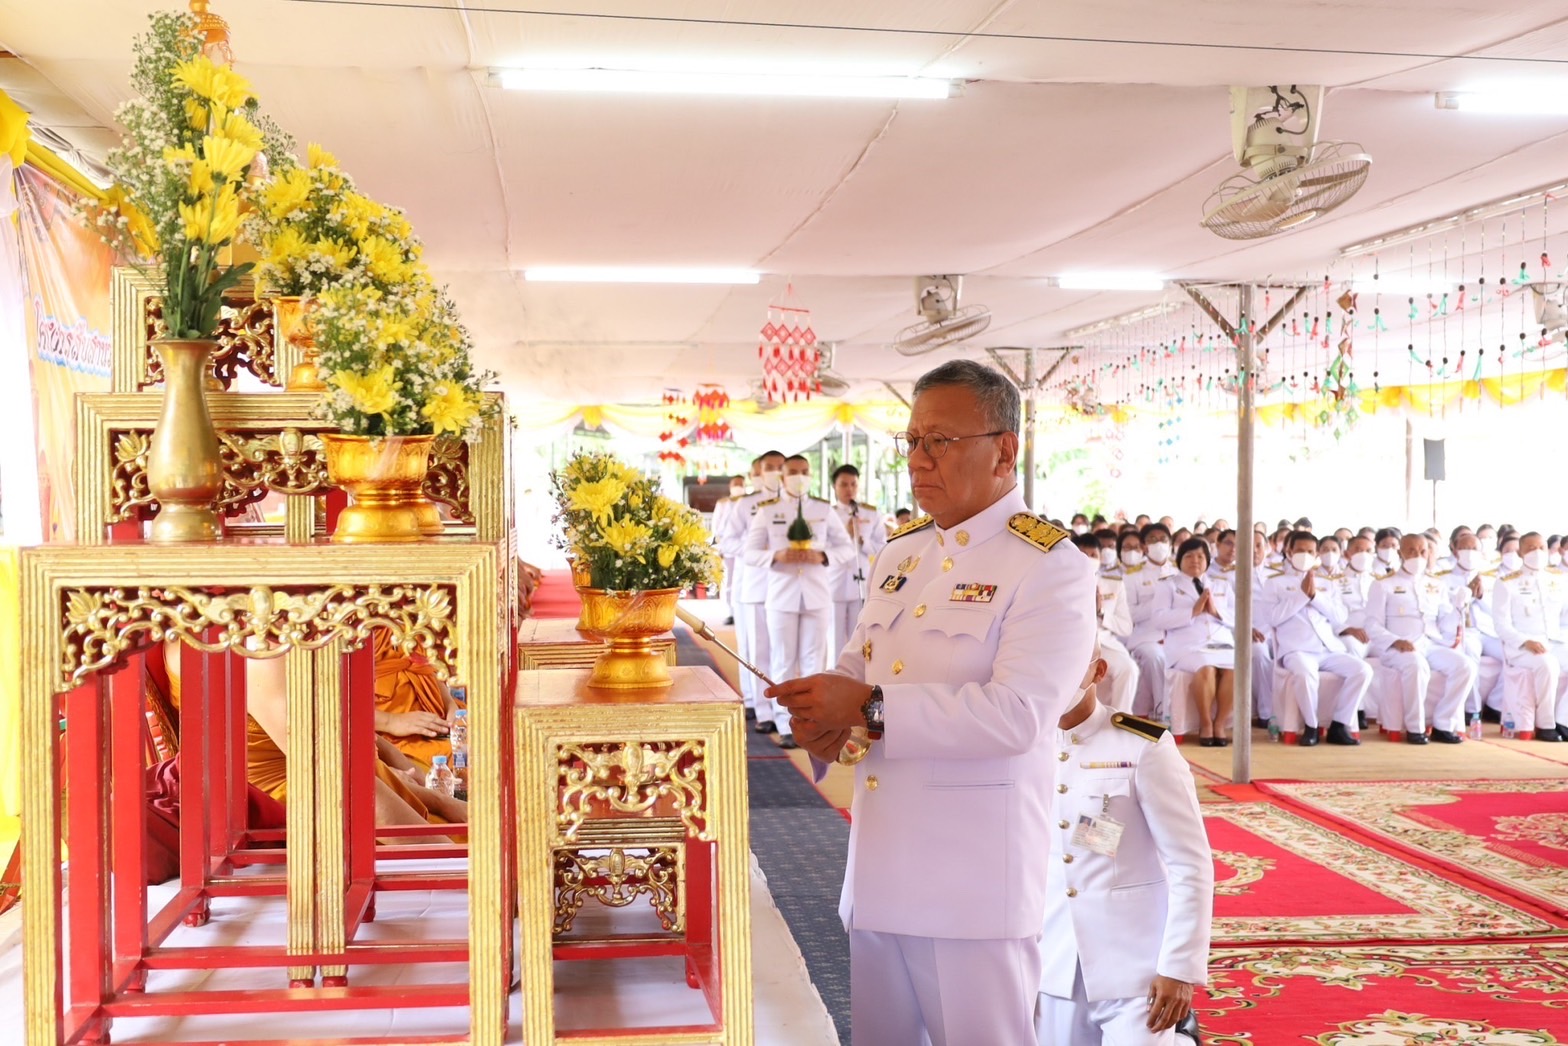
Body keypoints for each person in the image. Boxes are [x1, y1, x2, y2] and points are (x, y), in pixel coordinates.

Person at [768, 359, 1097, 1045]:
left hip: (971, 879)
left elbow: (1018, 715)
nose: (918, 459)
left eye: (939, 441)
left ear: (1005, 449)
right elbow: (863, 659)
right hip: (882, 865)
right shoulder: (903, 552)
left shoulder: (1049, 564)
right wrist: (827, 718)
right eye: (911, 441)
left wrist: (868, 709)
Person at [1036, 648, 1213, 1045]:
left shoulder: (1142, 747)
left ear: (1098, 671)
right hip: (1056, 966)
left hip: (1137, 971)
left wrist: (1180, 968)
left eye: (1067, 665)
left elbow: (1190, 864)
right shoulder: (1026, 746)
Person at [745, 454, 854, 749]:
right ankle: (785, 724)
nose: (800, 476)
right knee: (783, 659)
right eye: (793, 472)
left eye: (805, 471)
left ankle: (812, 720)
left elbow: (846, 547)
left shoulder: (822, 509)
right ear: (782, 476)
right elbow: (749, 552)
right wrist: (775, 556)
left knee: (813, 661)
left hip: (818, 593)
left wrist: (823, 556)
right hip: (781, 594)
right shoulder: (768, 511)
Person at [1260, 530, 1372, 746]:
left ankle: (1339, 724)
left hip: (1328, 649)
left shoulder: (1327, 583)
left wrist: (1315, 596)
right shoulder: (1274, 583)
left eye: (1310, 551)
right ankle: (1311, 726)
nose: (1305, 555)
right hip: (1296, 650)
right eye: (1300, 550)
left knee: (1362, 670)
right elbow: (1273, 618)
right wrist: (1301, 596)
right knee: (1304, 673)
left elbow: (1340, 616)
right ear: (1288, 551)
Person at [1364, 533, 1476, 744]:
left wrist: (1458, 608)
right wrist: (1394, 640)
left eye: (1422, 551)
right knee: (1416, 665)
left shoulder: (1436, 585)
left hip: (1431, 643)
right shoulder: (1383, 585)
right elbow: (1372, 624)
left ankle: (1443, 723)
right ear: (1400, 553)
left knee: (1465, 666)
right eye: (1411, 551)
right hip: (1398, 647)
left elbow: (1445, 624)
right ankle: (1415, 727)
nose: (1417, 555)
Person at [722, 451, 786, 726]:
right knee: (756, 650)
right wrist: (756, 549)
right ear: (758, 472)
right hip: (754, 585)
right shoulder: (746, 504)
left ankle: (782, 707)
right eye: (769, 468)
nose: (775, 472)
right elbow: (727, 542)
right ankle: (761, 709)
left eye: (780, 468)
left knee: (783, 652)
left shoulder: (795, 504)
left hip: (786, 585)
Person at [1153, 538, 1237, 746]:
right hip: (1187, 646)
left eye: (1200, 556)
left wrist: (1216, 611)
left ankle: (1220, 723)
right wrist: (1192, 611)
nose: (1195, 560)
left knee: (1233, 670)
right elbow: (1158, 618)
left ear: (1208, 560)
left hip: (1220, 642)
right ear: (1180, 560)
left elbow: (1238, 618)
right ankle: (1206, 723)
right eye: (1189, 556)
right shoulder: (1169, 585)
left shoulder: (1221, 585)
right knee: (1206, 667)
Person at [1492, 532, 1568, 740]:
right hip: (1522, 647)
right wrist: (1525, 641)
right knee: (1548, 665)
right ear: (1521, 552)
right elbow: (1501, 624)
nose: (1537, 553)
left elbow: (1564, 618)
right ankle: (1545, 725)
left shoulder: (1558, 580)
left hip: (1555, 641)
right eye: (1531, 548)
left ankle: (1564, 721)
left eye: (1541, 548)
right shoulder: (1507, 582)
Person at [1073, 532, 1139, 711]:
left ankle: (1119, 721)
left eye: (1093, 555)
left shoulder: (1114, 585)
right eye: (1082, 554)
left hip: (1104, 644)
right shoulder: (1062, 584)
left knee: (1129, 669)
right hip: (1072, 644)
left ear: (1101, 558)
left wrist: (1101, 612)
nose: (1088, 559)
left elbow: (1126, 627)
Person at [829, 463, 888, 658]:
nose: (849, 489)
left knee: (859, 633)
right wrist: (845, 537)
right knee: (835, 636)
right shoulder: (829, 514)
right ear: (835, 487)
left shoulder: (870, 513)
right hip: (835, 581)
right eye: (843, 484)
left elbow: (883, 546)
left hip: (861, 582)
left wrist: (862, 541)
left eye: (853, 484)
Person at [1122, 529, 1173, 721]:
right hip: (1146, 636)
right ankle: (1163, 715)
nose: (1159, 544)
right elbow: (1130, 613)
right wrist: (1160, 600)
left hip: (1176, 635)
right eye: (1153, 540)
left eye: (1163, 540)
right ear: (1144, 546)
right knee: (1155, 658)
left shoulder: (1178, 572)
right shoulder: (1133, 576)